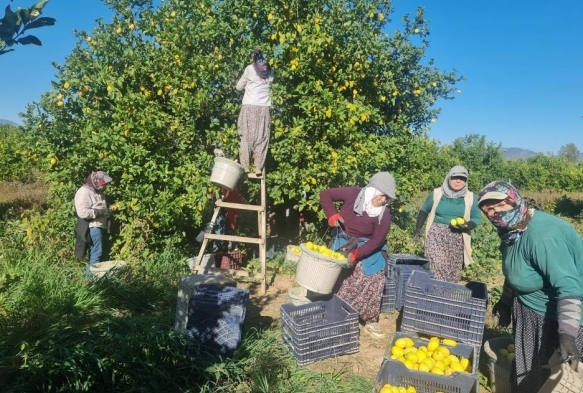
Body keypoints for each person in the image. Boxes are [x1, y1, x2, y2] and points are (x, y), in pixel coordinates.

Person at [478, 181, 583, 393]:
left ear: (514, 199)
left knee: (556, 381)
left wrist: (567, 336)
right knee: (532, 376)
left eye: (497, 205)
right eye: (487, 209)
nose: (492, 213)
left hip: (556, 318)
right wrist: (506, 301)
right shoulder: (510, 231)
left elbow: (569, 286)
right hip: (529, 312)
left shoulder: (544, 236)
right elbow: (515, 270)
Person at [320, 172, 397, 339]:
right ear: (374, 189)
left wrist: (358, 253)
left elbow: (377, 240)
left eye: (387, 198)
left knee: (373, 276)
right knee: (339, 271)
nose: (384, 200)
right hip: (344, 240)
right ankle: (336, 310)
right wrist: (332, 214)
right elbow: (326, 194)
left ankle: (370, 319)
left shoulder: (384, 214)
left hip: (368, 246)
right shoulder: (354, 193)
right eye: (383, 195)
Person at [412, 165, 481, 282]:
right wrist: (418, 229)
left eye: (462, 178)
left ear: (466, 181)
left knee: (453, 271)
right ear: (449, 178)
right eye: (455, 177)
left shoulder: (471, 198)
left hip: (458, 237)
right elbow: (424, 210)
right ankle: (434, 294)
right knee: (437, 267)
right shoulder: (437, 193)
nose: (458, 181)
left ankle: (446, 296)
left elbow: (476, 218)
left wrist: (467, 226)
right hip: (436, 235)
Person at [235, 49, 274, 177]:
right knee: (261, 138)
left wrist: (247, 86)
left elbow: (238, 87)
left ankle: (245, 165)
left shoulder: (249, 69)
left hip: (249, 107)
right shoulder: (270, 72)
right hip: (264, 109)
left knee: (245, 136)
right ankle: (258, 167)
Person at [74, 170, 113, 279]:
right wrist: (101, 212)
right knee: (97, 252)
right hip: (93, 227)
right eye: (104, 183)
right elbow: (82, 212)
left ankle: (92, 279)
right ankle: (90, 280)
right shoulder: (84, 192)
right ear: (97, 181)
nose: (105, 186)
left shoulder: (97, 191)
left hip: (99, 227)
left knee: (95, 253)